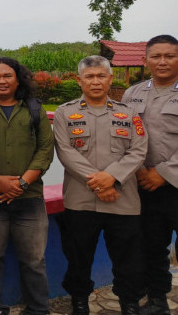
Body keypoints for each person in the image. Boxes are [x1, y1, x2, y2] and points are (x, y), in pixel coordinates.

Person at [54, 55, 147, 315]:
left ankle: (129, 303)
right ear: (80, 80)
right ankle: (80, 302)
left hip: (123, 200)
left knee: (128, 260)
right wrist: (98, 182)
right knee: (78, 257)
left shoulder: (128, 114)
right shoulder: (65, 113)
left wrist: (112, 178)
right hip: (80, 200)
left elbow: (138, 151)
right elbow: (65, 151)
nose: (95, 81)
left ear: (109, 79)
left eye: (100, 76)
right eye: (89, 77)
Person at [0, 57, 54, 315]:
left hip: (30, 198)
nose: (2, 81)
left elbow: (45, 149)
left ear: (18, 80)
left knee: (34, 259)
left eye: (7, 76)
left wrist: (23, 182)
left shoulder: (35, 109)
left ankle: (38, 309)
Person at [121, 35, 178, 315]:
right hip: (145, 186)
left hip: (174, 183)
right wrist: (138, 169)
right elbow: (123, 135)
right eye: (156, 56)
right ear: (145, 60)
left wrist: (164, 173)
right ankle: (158, 301)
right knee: (153, 247)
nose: (163, 62)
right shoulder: (132, 94)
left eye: (170, 55)